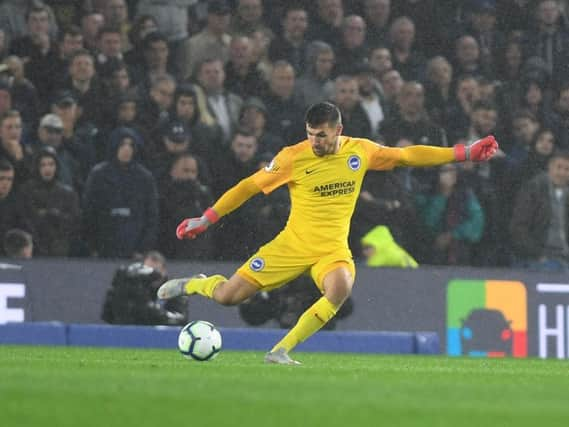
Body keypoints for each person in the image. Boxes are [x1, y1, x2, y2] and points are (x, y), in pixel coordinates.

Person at [157, 102, 499, 365]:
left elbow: (407, 155)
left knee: (340, 288)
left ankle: (280, 351)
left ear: (338, 130)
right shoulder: (292, 158)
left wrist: (463, 152)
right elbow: (247, 187)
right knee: (228, 296)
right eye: (310, 133)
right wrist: (206, 218)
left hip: (331, 249)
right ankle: (195, 284)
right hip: (291, 245)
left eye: (321, 135)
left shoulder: (359, 151)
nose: (315, 141)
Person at [101, 250, 187, 325]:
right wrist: (117, 294)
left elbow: (180, 320)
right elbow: (108, 316)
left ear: (164, 271)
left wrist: (153, 311)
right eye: (148, 271)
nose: (152, 276)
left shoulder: (174, 289)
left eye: (156, 270)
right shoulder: (136, 288)